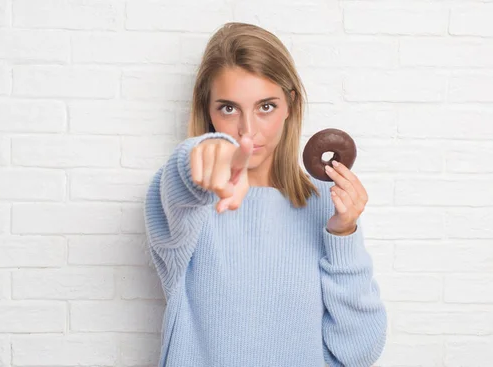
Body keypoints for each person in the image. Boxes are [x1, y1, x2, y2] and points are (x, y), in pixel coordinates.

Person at [144, 22, 387, 367]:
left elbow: (358, 353)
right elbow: (179, 183)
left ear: (290, 104)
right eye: (228, 108)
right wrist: (201, 156)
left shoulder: (326, 204)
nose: (248, 130)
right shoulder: (188, 203)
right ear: (207, 112)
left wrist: (343, 234)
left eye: (265, 107)